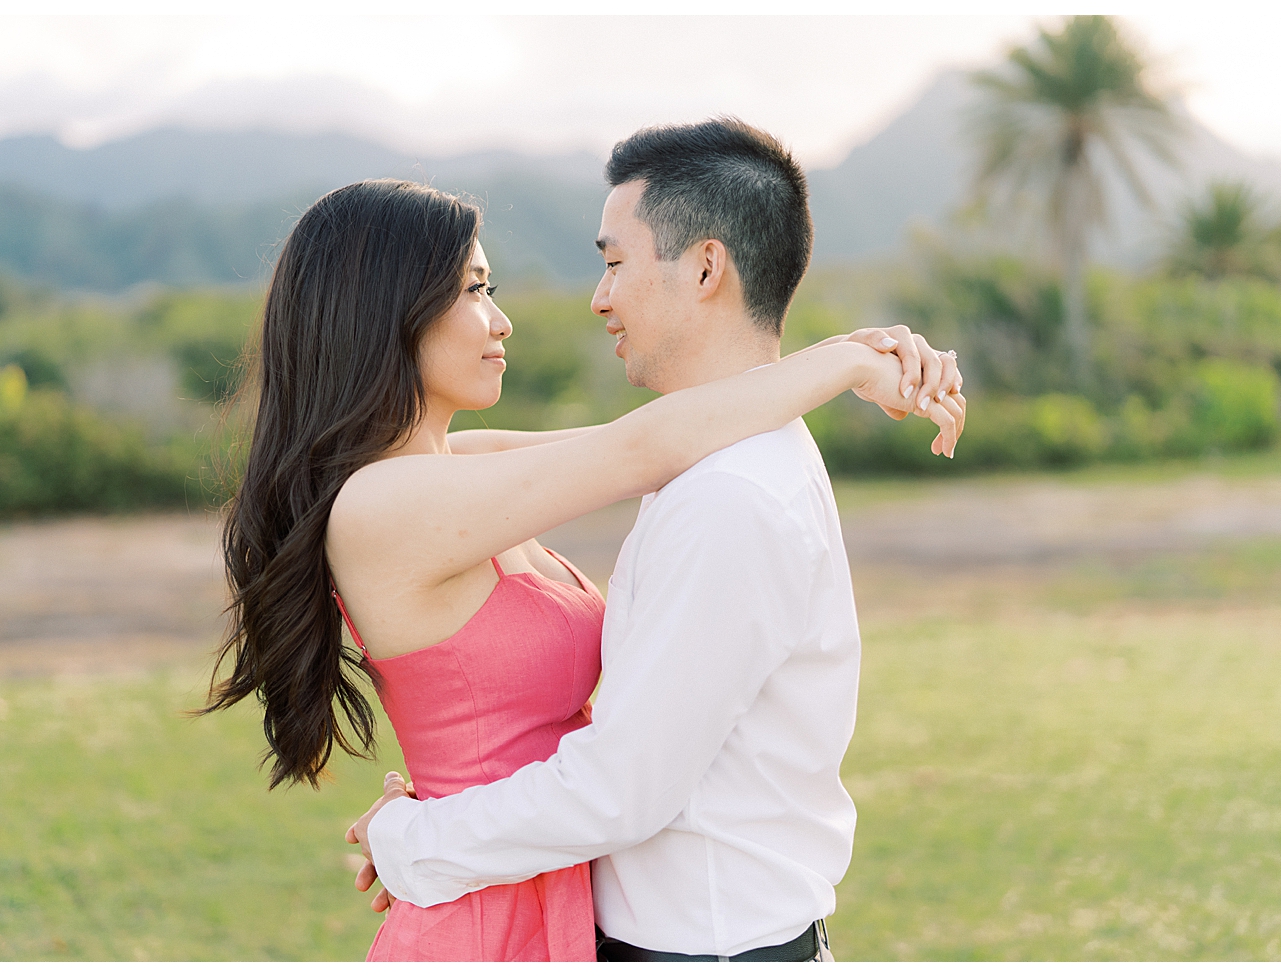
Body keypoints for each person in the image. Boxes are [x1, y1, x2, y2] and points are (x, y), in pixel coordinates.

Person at [202, 166, 961, 959]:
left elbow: (668, 430)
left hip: (542, 883)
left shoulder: (461, 464)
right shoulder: (382, 508)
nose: (499, 320)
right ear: (384, 310)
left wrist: (862, 347)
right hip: (483, 921)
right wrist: (844, 367)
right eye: (470, 290)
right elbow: (643, 448)